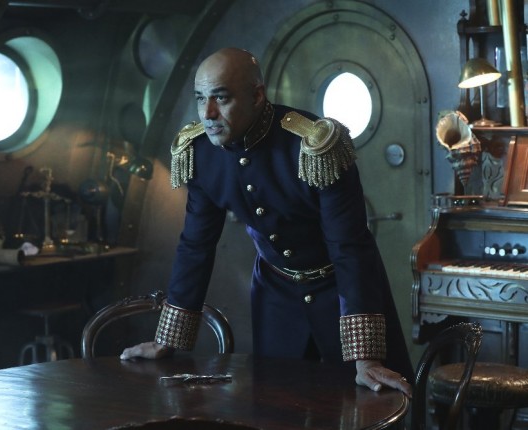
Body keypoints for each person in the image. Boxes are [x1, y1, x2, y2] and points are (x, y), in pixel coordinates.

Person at [120, 47, 413, 397]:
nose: (208, 113)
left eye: (221, 98)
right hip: (276, 294)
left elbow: (350, 247)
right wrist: (167, 340)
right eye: (200, 98)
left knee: (370, 401)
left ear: (257, 95)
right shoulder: (200, 152)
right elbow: (196, 245)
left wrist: (366, 357)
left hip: (342, 290)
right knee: (276, 404)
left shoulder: (315, 146)